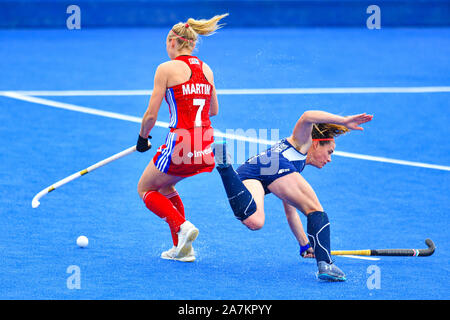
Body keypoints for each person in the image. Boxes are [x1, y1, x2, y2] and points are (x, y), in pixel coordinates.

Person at [214, 110, 373, 281]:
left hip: (248, 172)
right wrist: (344, 121)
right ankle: (326, 263)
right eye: (330, 152)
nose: (329, 159)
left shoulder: (292, 169)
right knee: (315, 209)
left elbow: (290, 212)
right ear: (317, 144)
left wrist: (304, 244)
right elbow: (307, 116)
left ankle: (225, 167)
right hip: (273, 165)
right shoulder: (303, 142)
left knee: (254, 221)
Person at [136, 13, 229, 262]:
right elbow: (213, 110)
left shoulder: (165, 69)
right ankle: (182, 249)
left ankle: (181, 226)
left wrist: (143, 138)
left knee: (145, 188)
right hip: (204, 145)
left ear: (172, 42)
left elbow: (150, 116)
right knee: (166, 186)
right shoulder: (206, 69)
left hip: (180, 145)